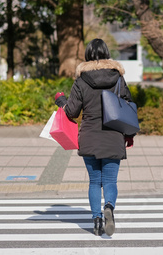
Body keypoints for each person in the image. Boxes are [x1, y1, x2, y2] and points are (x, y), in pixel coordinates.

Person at [54, 38, 135, 237]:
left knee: (94, 182)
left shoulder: (81, 80)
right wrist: (130, 135)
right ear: (107, 53)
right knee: (110, 181)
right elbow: (128, 107)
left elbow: (72, 112)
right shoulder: (118, 78)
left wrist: (61, 100)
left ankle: (97, 220)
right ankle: (109, 206)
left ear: (88, 55)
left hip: (89, 135)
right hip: (114, 135)